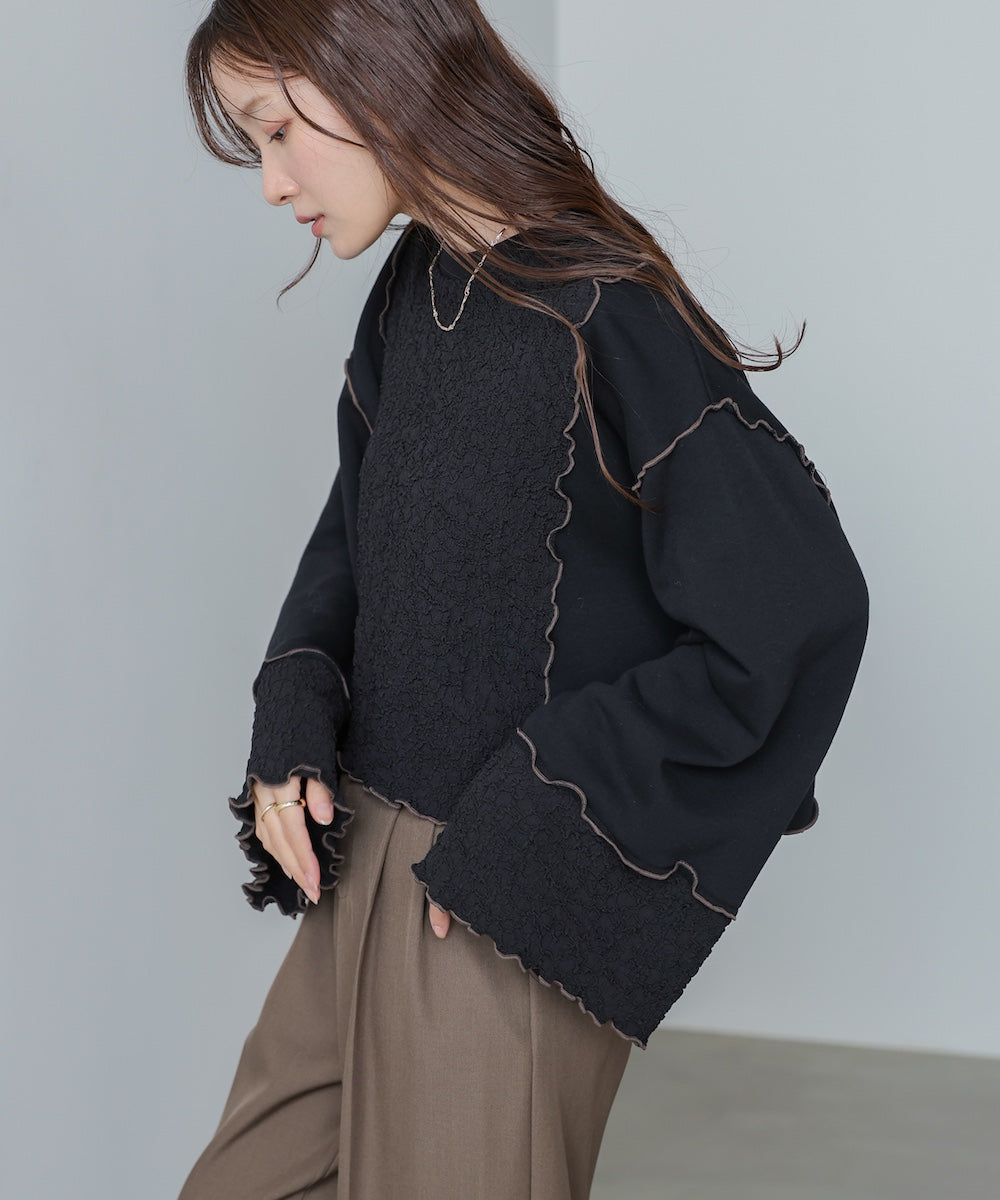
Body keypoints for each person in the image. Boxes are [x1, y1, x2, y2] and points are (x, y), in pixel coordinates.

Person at [176, 2, 870, 1197]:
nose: (273, 182)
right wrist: (291, 719)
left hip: (497, 901)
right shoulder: (412, 291)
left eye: (278, 130)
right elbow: (356, 534)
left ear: (378, 72)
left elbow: (794, 611)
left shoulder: (606, 306)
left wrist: (535, 829)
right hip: (362, 858)